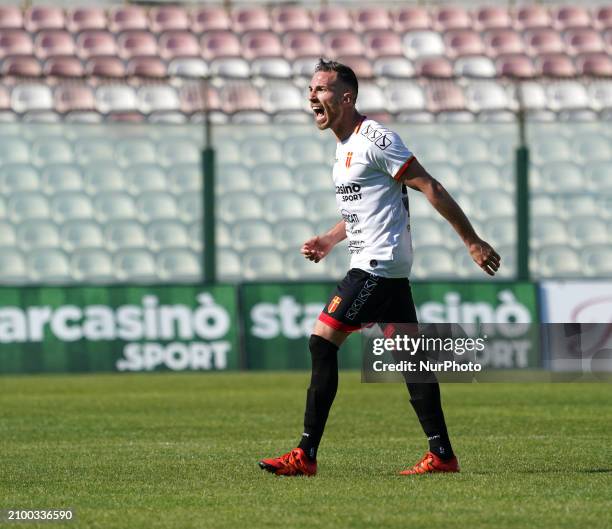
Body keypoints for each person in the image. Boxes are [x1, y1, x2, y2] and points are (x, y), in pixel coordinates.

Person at [258, 59, 501, 477]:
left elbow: (429, 186)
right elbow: (363, 211)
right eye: (310, 89)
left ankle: (305, 455)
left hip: (377, 264)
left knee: (321, 342)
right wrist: (330, 239)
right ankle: (442, 455)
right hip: (378, 262)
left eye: (321, 89)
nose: (312, 95)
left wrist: (472, 241)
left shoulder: (376, 138)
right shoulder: (343, 147)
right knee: (412, 360)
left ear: (347, 97)